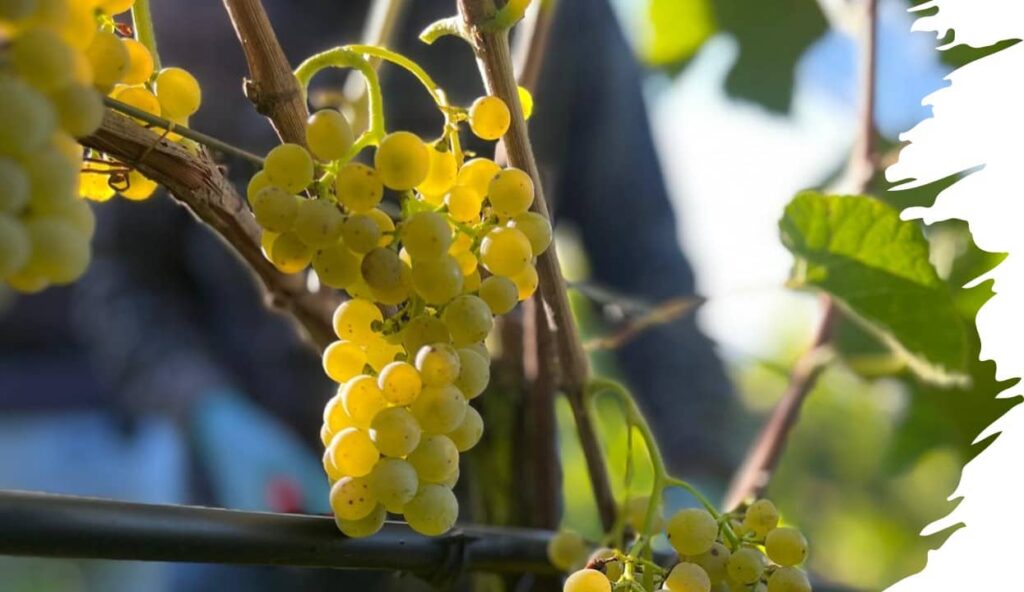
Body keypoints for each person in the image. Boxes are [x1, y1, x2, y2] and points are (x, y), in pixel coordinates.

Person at [0, 1, 738, 590]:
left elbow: (644, 255)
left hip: (474, 503)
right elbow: (124, 286)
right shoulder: (188, 19)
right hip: (244, 522)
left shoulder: (550, 18)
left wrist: (697, 470)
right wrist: (206, 409)